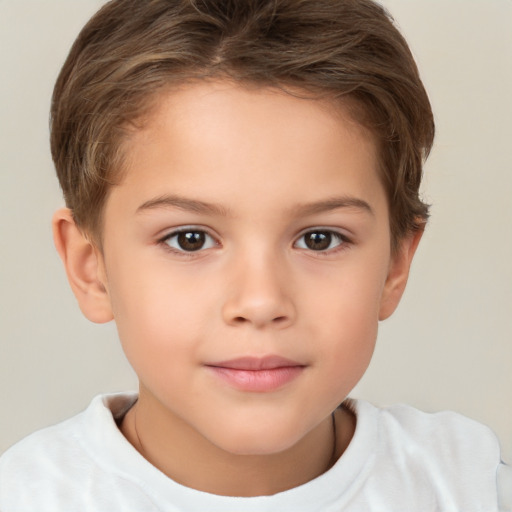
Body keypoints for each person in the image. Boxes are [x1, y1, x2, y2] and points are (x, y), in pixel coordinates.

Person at [0, 0, 510, 510]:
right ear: (91, 267)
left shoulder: (471, 489)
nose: (261, 301)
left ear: (395, 264)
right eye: (190, 239)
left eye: (319, 239)